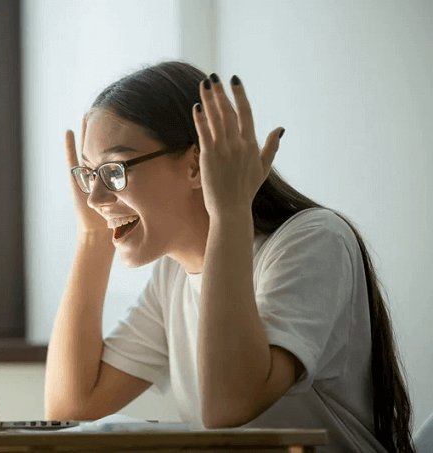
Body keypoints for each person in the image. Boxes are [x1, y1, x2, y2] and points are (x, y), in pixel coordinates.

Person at [43, 61, 413, 452]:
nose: (95, 198)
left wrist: (230, 212)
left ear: (194, 165)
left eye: (114, 171)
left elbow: (230, 406)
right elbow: (73, 408)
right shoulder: (172, 277)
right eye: (88, 175)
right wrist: (91, 236)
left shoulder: (313, 240)